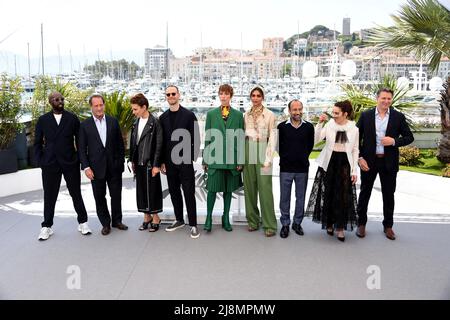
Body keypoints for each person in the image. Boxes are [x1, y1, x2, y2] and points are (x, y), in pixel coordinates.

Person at [356, 88, 414, 240]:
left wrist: (394, 141)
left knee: (389, 195)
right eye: (383, 98)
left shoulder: (398, 117)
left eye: (389, 99)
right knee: (364, 193)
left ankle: (388, 226)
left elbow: (409, 137)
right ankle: (361, 224)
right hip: (369, 161)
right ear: (377, 99)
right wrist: (359, 157)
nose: (386, 101)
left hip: (389, 162)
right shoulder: (366, 115)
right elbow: (355, 138)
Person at [34, 92, 91, 241]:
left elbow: (80, 141)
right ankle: (46, 226)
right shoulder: (43, 120)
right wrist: (41, 162)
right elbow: (37, 143)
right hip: (50, 163)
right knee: (49, 195)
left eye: (61, 99)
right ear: (50, 102)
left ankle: (83, 222)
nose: (60, 101)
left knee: (76, 193)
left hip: (70, 162)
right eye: (56, 99)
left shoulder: (72, 118)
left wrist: (78, 158)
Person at [305, 100, 359, 242]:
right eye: (333, 112)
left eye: (337, 113)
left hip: (345, 163)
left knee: (343, 196)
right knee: (328, 193)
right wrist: (320, 123)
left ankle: (340, 227)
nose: (333, 115)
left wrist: (354, 170)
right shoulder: (329, 125)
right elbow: (316, 140)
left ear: (345, 114)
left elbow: (355, 150)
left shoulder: (354, 129)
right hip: (329, 162)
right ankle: (329, 223)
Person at [78, 94, 128, 235]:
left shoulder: (113, 121)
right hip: (95, 169)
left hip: (114, 167)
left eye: (101, 105)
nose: (99, 108)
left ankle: (117, 221)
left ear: (104, 105)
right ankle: (105, 224)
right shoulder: (84, 125)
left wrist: (120, 162)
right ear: (91, 107)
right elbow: (81, 149)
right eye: (96, 106)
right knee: (100, 197)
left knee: (116, 195)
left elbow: (120, 144)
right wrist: (86, 167)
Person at [160, 85, 201, 239]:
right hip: (169, 163)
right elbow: (162, 142)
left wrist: (191, 157)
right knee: (174, 192)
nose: (171, 96)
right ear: (166, 97)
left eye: (173, 93)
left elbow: (196, 138)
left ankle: (194, 225)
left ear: (178, 95)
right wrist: (162, 161)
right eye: (168, 94)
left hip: (185, 162)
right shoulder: (162, 118)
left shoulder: (189, 115)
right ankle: (179, 220)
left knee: (189, 193)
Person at [203, 84, 244, 232]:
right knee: (212, 190)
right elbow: (207, 137)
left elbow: (240, 139)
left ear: (231, 96)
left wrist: (240, 160)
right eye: (221, 94)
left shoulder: (239, 116)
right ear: (219, 95)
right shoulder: (211, 114)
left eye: (226, 94)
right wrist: (205, 159)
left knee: (228, 190)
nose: (224, 96)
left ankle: (225, 217)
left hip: (232, 159)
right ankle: (208, 217)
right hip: (215, 158)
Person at [277, 100, 314, 238]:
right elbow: (277, 146)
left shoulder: (309, 127)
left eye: (299, 109)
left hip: (302, 168)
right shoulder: (281, 127)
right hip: (285, 168)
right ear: (289, 110)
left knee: (300, 198)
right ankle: (285, 224)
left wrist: (302, 157)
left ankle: (297, 223)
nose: (297, 112)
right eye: (294, 109)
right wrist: (286, 157)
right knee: (284, 198)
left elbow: (310, 146)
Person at [243, 87, 277, 237]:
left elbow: (273, 138)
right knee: (250, 188)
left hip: (263, 151)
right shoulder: (246, 114)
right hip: (249, 150)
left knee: (265, 189)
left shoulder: (270, 115)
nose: (255, 98)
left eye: (258, 96)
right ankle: (253, 221)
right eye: (253, 95)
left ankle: (269, 224)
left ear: (262, 97)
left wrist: (269, 159)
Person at [129, 93, 163, 232]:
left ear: (144, 107)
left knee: (152, 191)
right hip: (138, 162)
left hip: (150, 163)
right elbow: (134, 143)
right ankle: (146, 217)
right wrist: (132, 160)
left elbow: (159, 144)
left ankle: (156, 217)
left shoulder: (154, 122)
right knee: (141, 191)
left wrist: (156, 164)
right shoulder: (136, 123)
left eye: (135, 109)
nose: (133, 112)